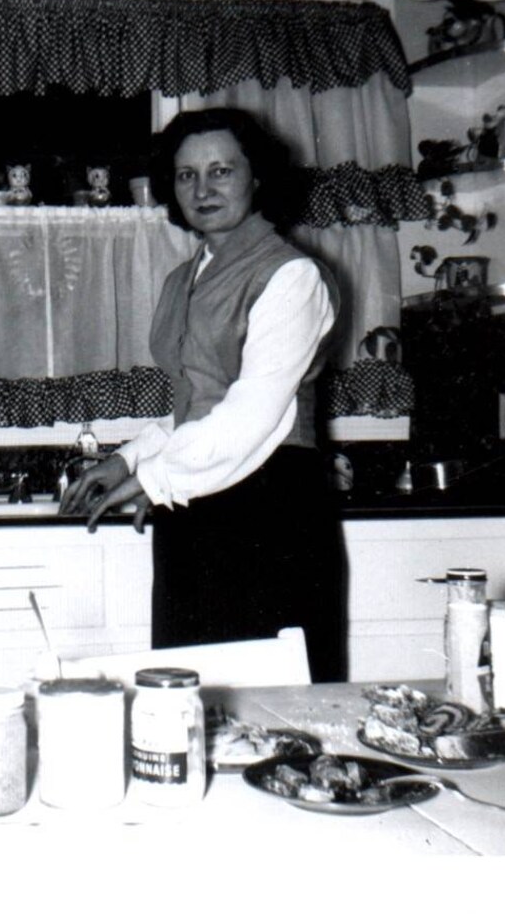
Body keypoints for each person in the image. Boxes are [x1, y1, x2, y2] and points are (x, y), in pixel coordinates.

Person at [60, 107, 346, 682]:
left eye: (221, 170)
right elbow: (194, 404)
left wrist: (156, 479)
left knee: (273, 700)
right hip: (198, 501)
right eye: (186, 175)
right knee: (186, 696)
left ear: (257, 176)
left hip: (270, 509)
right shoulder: (183, 278)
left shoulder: (292, 276)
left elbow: (253, 411)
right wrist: (126, 460)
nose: (203, 188)